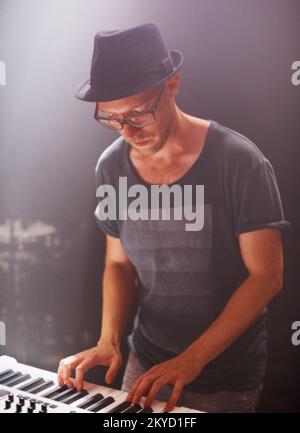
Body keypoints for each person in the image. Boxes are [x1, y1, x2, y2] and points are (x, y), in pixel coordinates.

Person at [57, 22, 290, 413]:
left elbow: (267, 276)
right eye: (112, 119)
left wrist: (192, 359)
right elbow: (118, 262)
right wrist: (108, 340)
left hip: (223, 377)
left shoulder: (238, 160)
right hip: (145, 366)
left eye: (138, 114)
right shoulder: (111, 166)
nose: (127, 131)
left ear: (173, 86)